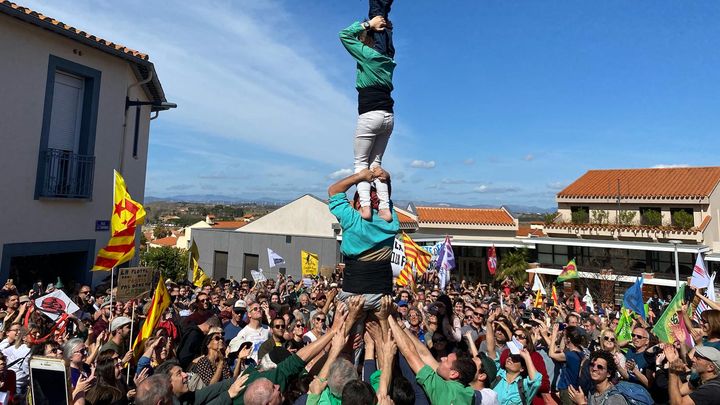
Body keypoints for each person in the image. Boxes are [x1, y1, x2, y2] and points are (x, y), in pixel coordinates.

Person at [339, 15, 396, 222]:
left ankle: (365, 207)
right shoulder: (389, 60)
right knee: (376, 165)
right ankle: (384, 208)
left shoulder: (368, 55)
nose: (360, 41)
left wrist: (368, 25)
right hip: (388, 118)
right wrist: (384, 28)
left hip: (370, 116)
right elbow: (386, 42)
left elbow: (344, 35)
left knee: (361, 165)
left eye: (363, 38)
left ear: (370, 40)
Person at [327, 167, 399, 308]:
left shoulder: (353, 219)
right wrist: (386, 178)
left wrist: (359, 177)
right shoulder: (390, 221)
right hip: (382, 296)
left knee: (345, 328)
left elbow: (333, 191)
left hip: (353, 294)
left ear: (358, 203)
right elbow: (386, 198)